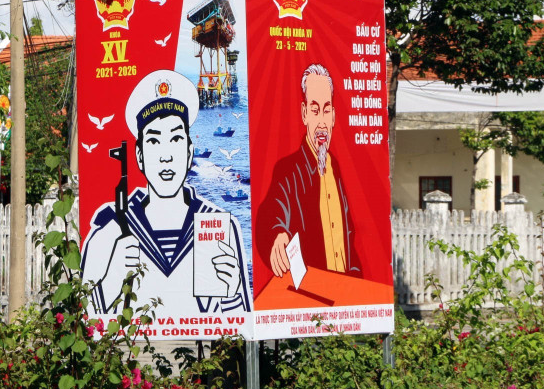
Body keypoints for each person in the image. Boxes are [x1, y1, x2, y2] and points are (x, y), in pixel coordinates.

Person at [81, 69, 250, 313]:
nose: (166, 156)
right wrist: (109, 282)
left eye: (176, 139)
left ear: (190, 152)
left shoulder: (219, 226)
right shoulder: (111, 227)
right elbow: (84, 321)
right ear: (139, 157)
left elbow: (237, 326)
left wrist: (232, 293)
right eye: (153, 141)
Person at [256, 63, 359, 279]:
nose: (321, 122)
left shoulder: (335, 168)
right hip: (312, 295)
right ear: (305, 114)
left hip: (345, 292)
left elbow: (348, 235)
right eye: (315, 110)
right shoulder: (288, 170)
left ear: (333, 116)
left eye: (326, 110)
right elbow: (272, 212)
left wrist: (356, 277)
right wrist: (277, 235)